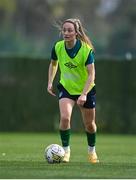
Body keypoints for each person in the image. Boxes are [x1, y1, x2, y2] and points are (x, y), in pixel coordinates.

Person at [47, 18, 99, 163]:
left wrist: (83, 94)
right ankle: (65, 152)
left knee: (89, 125)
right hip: (67, 88)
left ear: (76, 32)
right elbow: (53, 64)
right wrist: (50, 82)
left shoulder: (86, 50)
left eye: (70, 30)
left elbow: (91, 74)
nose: (66, 33)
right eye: (64, 30)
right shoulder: (57, 47)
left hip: (86, 90)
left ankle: (92, 152)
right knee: (64, 118)